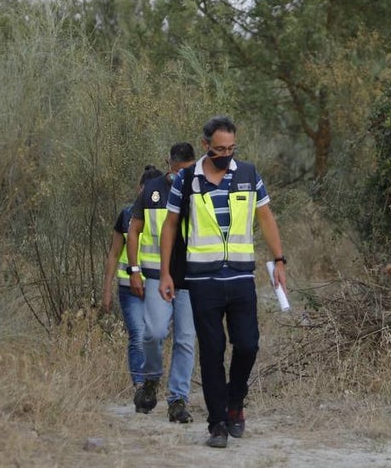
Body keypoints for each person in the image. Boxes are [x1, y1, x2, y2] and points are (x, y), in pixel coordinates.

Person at [158, 115, 287, 449]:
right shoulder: (186, 180)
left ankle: (235, 401)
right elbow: (170, 225)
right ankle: (217, 423)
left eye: (231, 148)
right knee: (212, 351)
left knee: (248, 344)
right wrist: (167, 272)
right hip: (202, 280)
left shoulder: (247, 174)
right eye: (219, 149)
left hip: (242, 276)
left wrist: (280, 260)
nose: (226, 154)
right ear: (205, 146)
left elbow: (266, 217)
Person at [126, 142, 198, 424]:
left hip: (191, 278)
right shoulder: (152, 190)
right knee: (154, 333)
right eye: (179, 171)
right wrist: (134, 269)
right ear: (168, 164)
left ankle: (178, 399)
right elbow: (134, 230)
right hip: (157, 276)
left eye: (189, 171)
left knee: (185, 339)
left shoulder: (201, 189)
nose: (183, 177)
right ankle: (151, 379)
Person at [102, 164, 164, 410]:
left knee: (154, 337)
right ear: (140, 189)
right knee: (137, 335)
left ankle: (151, 381)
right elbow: (114, 254)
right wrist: (107, 290)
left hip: (157, 287)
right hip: (129, 288)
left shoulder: (168, 214)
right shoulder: (126, 215)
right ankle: (140, 388)